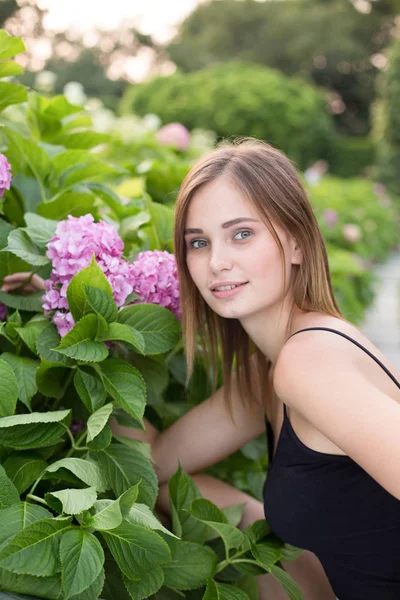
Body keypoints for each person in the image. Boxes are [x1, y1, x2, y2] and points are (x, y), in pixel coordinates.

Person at [4, 137, 400, 598]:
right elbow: (157, 465)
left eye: (242, 234)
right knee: (190, 496)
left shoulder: (308, 362)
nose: (217, 262)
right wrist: (66, 310)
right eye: (198, 242)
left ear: (295, 242)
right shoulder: (265, 370)